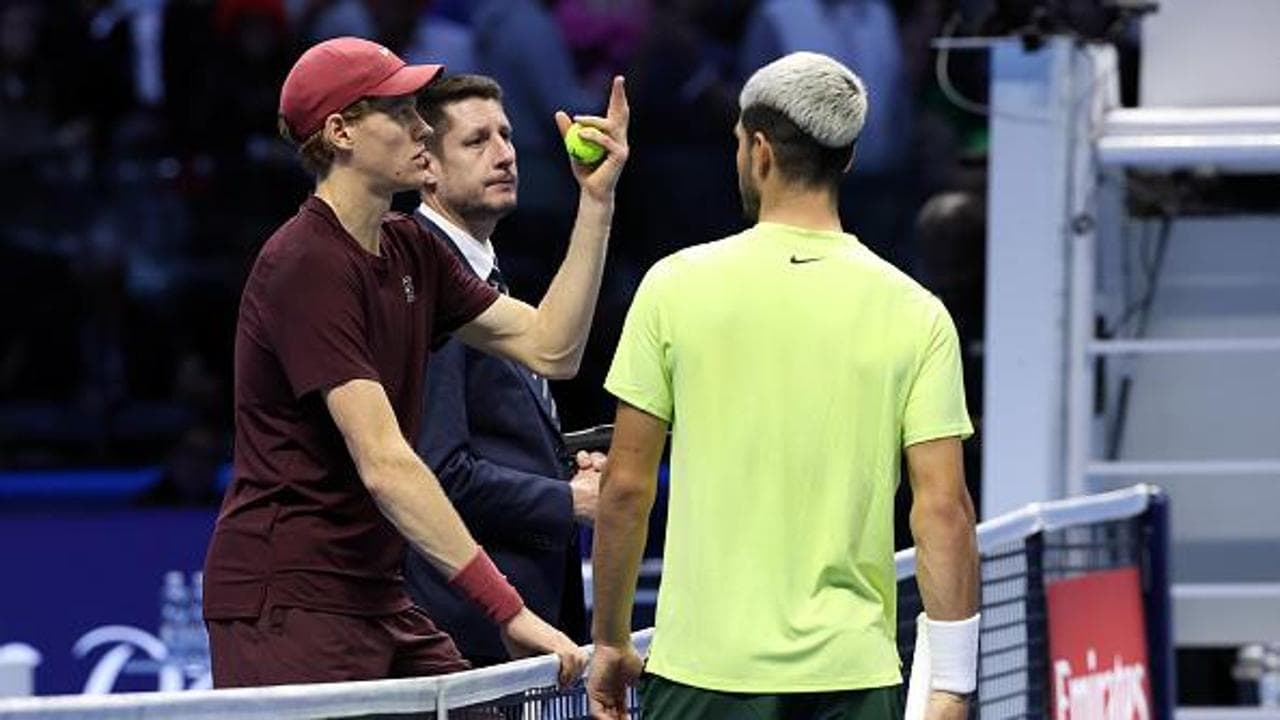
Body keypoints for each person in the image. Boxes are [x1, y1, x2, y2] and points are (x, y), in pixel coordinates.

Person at [201, 36, 629, 688]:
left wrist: (596, 203)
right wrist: (509, 610)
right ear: (341, 132)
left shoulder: (411, 249)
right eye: (399, 112)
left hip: (378, 590)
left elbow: (552, 348)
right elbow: (386, 463)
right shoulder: (306, 263)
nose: (423, 127)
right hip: (289, 597)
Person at [587, 52, 979, 720]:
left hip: (702, 677)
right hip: (852, 680)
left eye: (739, 143)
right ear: (846, 159)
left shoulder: (673, 287)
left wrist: (610, 640)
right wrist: (953, 683)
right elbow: (944, 509)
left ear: (760, 151)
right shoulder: (917, 313)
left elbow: (625, 487)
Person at [403, 73, 603, 666]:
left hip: (521, 619)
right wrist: (568, 500)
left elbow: (494, 437)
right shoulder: (425, 272)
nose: (505, 154)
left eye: (507, 136)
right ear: (426, 166)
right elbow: (440, 470)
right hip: (469, 635)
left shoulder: (481, 272)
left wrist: (565, 465)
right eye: (476, 141)